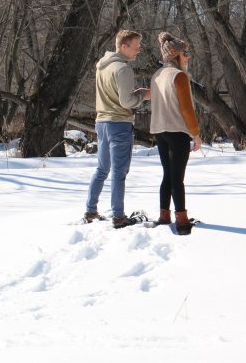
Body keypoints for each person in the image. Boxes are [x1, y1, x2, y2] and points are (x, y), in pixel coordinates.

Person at [85, 29, 149, 228]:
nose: (138, 50)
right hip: (119, 124)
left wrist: (134, 94)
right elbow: (126, 101)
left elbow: (115, 96)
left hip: (102, 123)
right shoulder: (123, 68)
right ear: (123, 46)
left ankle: (90, 210)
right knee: (119, 173)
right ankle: (119, 217)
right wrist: (143, 96)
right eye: (136, 46)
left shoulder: (102, 66)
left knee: (102, 169)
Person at [150, 32, 201, 235]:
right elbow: (187, 109)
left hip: (160, 131)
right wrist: (196, 134)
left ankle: (164, 216)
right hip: (177, 131)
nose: (187, 56)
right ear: (176, 55)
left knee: (167, 175)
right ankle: (182, 220)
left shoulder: (157, 75)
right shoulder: (179, 76)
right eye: (185, 53)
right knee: (178, 178)